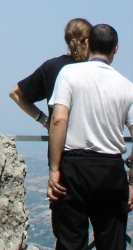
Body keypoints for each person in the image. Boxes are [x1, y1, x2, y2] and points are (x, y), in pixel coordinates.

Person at [47, 23, 133, 250]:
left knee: (70, 241)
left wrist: (54, 170)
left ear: (87, 44)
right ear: (116, 48)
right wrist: (132, 181)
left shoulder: (69, 74)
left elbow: (58, 120)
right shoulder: (127, 86)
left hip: (74, 168)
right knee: (112, 243)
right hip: (111, 170)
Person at [9, 18, 92, 129]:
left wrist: (45, 121)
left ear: (66, 39)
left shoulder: (51, 66)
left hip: (58, 136)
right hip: (89, 137)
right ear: (89, 42)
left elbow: (15, 93)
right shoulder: (94, 69)